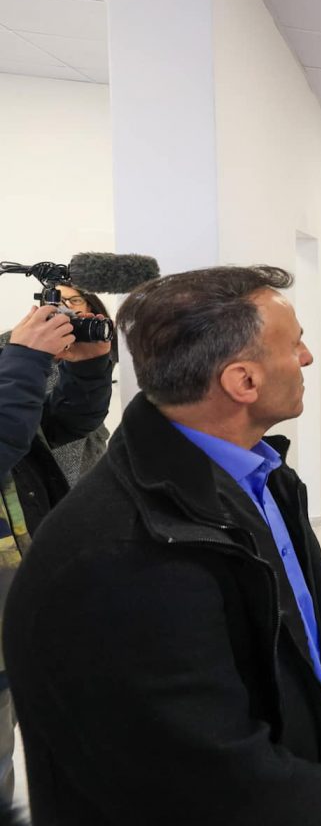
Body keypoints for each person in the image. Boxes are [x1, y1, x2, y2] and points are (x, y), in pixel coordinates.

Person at [3, 266, 321, 826]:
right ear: (243, 382)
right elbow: (209, 777)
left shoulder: (264, 473)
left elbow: (310, 626)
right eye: (295, 344)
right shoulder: (119, 558)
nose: (307, 358)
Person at [0, 302, 112, 805]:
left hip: (24, 594)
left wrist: (88, 369)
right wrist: (24, 358)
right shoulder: (14, 359)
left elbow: (58, 427)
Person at [49, 282, 118, 485]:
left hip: (86, 444)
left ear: (89, 306)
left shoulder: (97, 345)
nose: (67, 306)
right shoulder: (18, 344)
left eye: (75, 300)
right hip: (46, 446)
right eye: (59, 300)